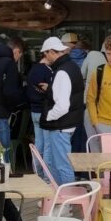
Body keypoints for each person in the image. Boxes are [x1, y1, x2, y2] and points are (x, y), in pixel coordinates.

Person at [39, 37, 85, 185]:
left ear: (52, 52)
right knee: (59, 164)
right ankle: (62, 199)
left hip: (60, 126)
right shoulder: (71, 67)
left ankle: (67, 202)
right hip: (66, 124)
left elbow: (62, 106)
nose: (45, 58)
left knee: (62, 166)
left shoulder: (62, 72)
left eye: (45, 54)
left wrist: (47, 116)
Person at [25, 53, 52, 173]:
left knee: (38, 144)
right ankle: (46, 177)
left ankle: (36, 172)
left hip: (34, 111)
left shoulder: (33, 69)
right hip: (44, 112)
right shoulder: (48, 71)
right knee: (47, 146)